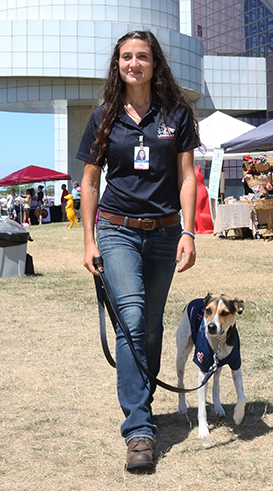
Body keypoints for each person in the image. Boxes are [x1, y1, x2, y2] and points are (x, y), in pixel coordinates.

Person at [77, 30, 199, 473]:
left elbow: (187, 178)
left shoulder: (177, 115)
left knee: (149, 326)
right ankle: (139, 430)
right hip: (116, 230)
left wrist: (189, 232)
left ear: (154, 63)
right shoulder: (103, 117)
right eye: (126, 56)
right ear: (118, 65)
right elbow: (90, 182)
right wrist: (89, 239)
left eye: (142, 56)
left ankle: (140, 401)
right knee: (130, 317)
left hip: (166, 234)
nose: (134, 63)